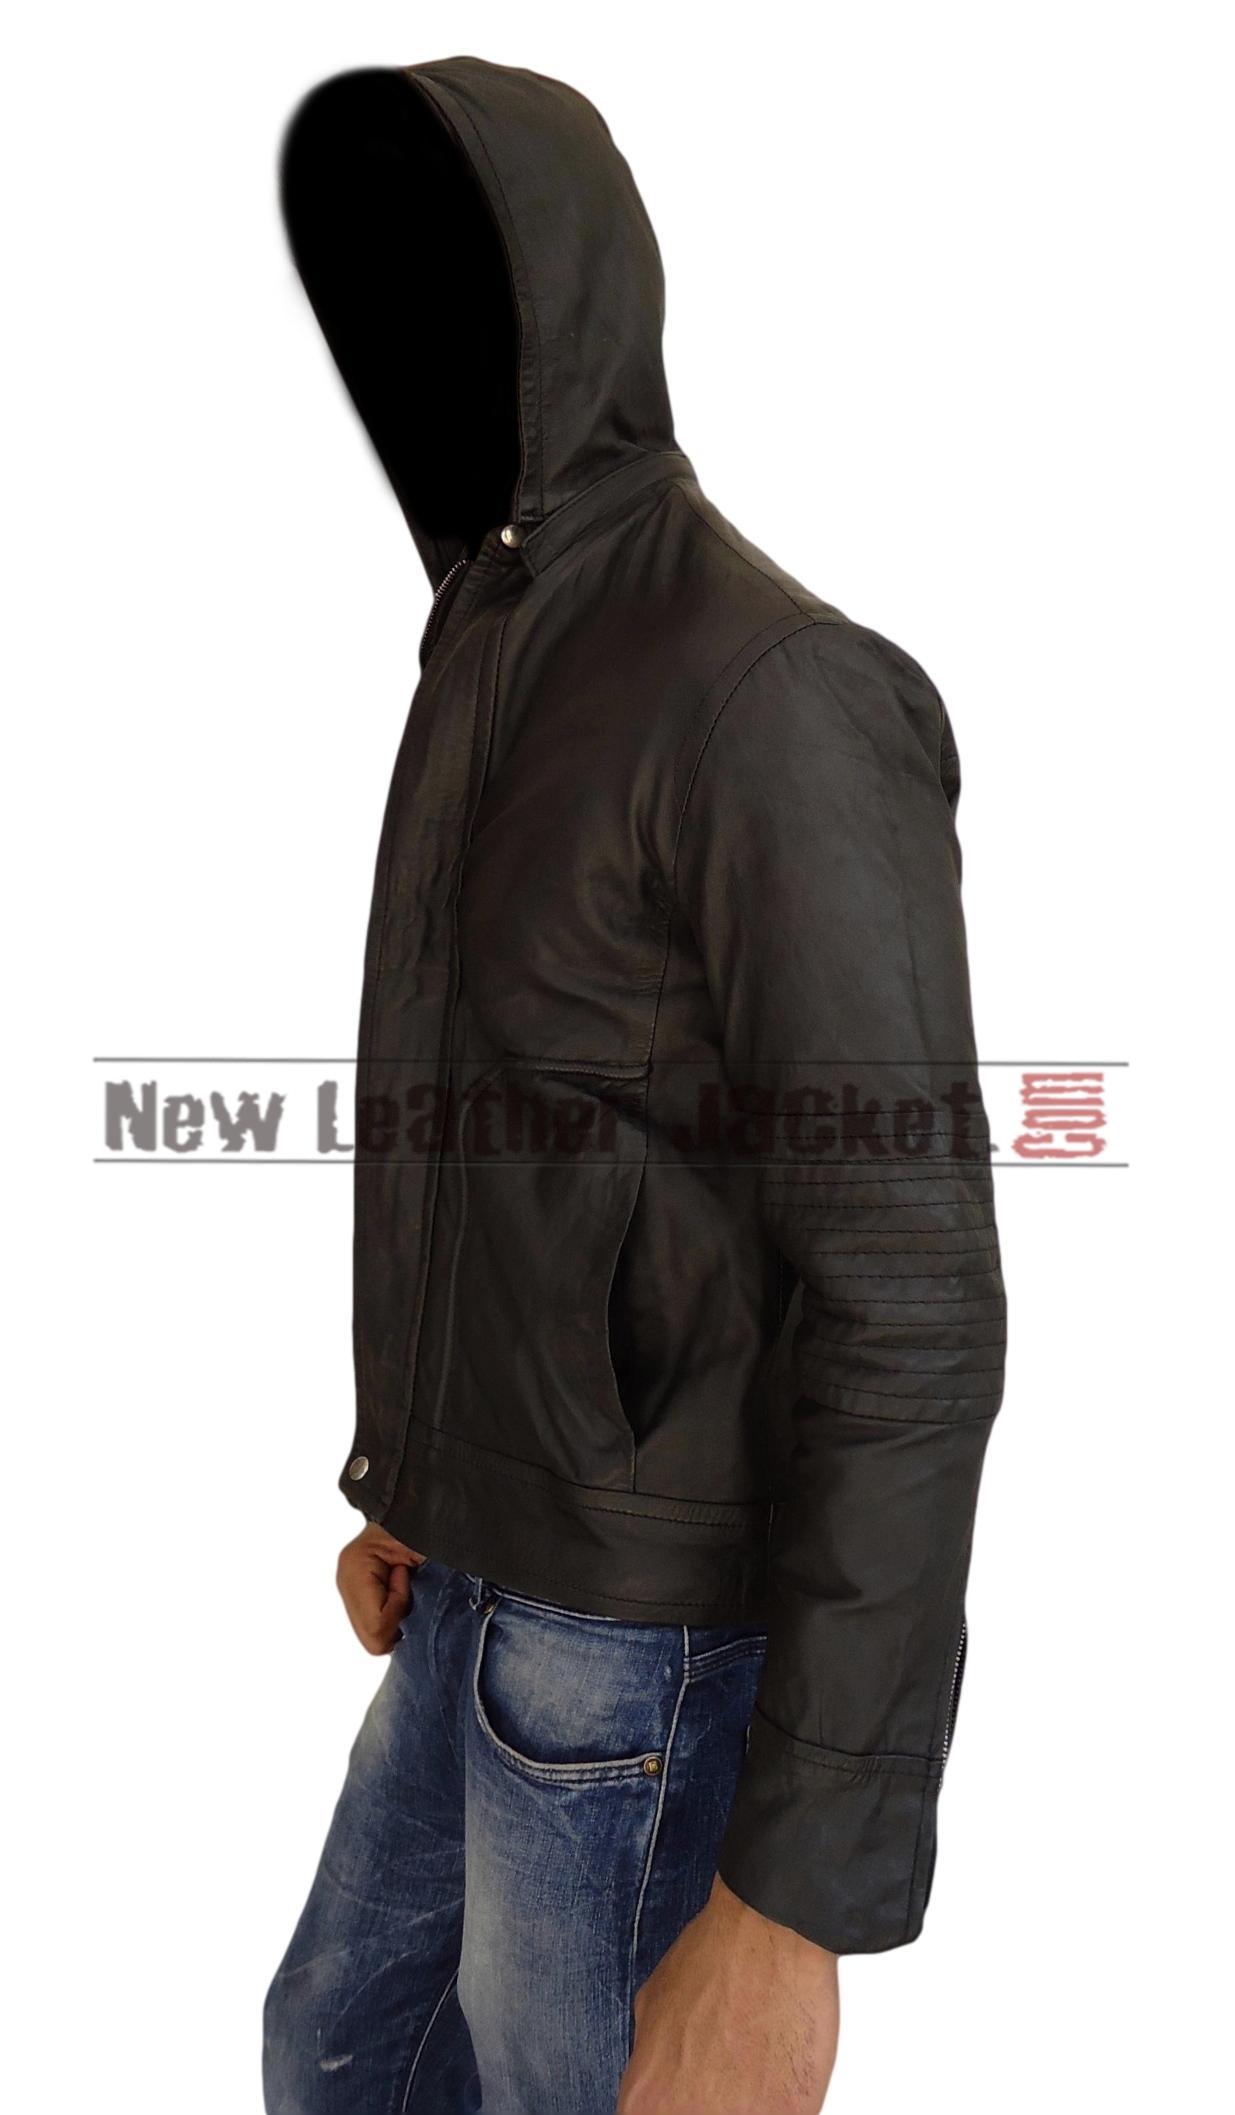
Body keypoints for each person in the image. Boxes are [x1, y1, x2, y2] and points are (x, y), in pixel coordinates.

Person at [264, 56, 1006, 2115]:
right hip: (476, 1582)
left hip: (645, 1646)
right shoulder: (492, 653)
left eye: (447, 286)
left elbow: (914, 1304)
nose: (400, 345)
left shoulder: (771, 692)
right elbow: (512, 1124)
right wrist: (424, 1468)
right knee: (336, 2052)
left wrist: (795, 1905)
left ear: (566, 305)